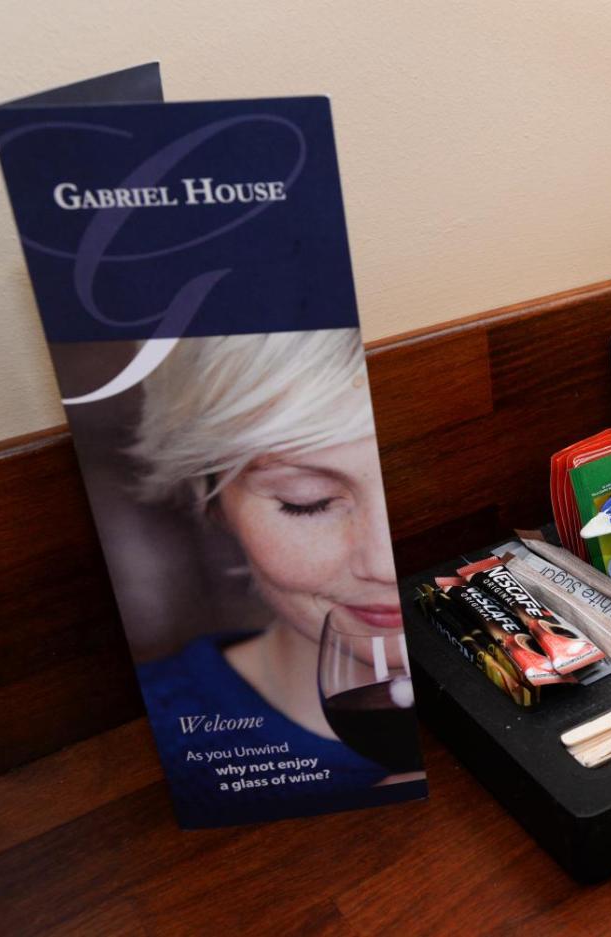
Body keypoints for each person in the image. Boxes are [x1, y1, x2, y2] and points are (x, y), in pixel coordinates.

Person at [131, 329, 424, 826]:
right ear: (213, 502)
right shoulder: (160, 738)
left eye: (408, 484)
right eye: (306, 501)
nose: (382, 563)